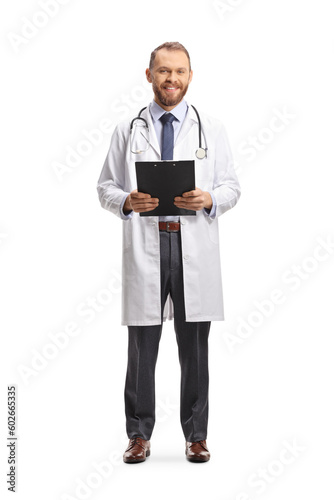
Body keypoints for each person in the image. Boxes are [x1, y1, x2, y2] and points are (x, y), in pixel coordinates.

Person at [97, 41, 241, 463]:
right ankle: (138, 435)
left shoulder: (210, 128)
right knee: (143, 344)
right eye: (163, 71)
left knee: (194, 345)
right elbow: (105, 186)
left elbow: (233, 186)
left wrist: (210, 199)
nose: (171, 79)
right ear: (149, 76)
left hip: (192, 243)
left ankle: (196, 435)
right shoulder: (128, 129)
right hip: (147, 243)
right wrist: (126, 201)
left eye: (179, 71)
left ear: (190, 76)